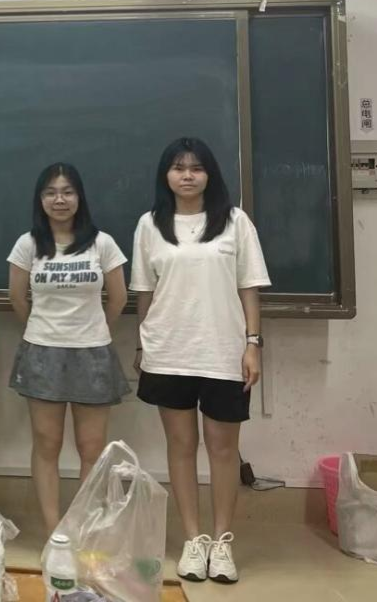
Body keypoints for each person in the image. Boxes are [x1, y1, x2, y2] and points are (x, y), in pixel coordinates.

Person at [131, 137, 269, 585]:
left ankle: (221, 542)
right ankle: (193, 539)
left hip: (222, 351)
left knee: (223, 449)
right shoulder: (150, 225)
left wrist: (253, 343)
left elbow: (249, 286)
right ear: (166, 175)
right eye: (178, 167)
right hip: (168, 350)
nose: (187, 175)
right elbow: (144, 293)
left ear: (210, 174)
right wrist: (142, 346)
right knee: (181, 447)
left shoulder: (234, 221)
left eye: (196, 168)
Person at [7, 162, 130, 535]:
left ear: (79, 197)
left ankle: (83, 529)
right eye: (50, 192)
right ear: (40, 199)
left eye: (67, 192)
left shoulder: (102, 243)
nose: (59, 200)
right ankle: (53, 531)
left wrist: (93, 330)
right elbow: (17, 298)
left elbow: (119, 298)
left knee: (91, 448)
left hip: (92, 352)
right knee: (47, 444)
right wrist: (42, 330)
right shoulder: (28, 244)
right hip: (42, 352)